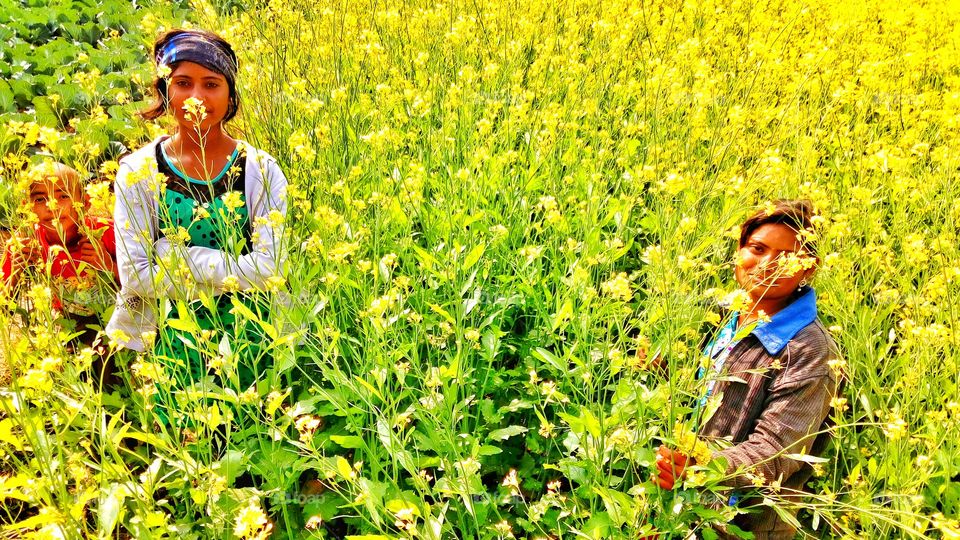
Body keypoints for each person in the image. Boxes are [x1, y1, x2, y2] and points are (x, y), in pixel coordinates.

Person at [106, 29, 288, 427]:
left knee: (254, 442)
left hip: (251, 340)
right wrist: (231, 269)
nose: (197, 98)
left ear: (231, 95)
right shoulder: (138, 171)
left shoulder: (260, 170)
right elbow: (135, 276)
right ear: (164, 90)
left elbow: (270, 269)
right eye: (183, 83)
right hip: (169, 341)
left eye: (212, 84)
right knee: (189, 451)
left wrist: (180, 258)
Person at [654, 200, 841, 539]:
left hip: (740, 527)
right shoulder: (719, 315)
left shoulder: (811, 350)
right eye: (757, 248)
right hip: (674, 509)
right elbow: (693, 396)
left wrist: (701, 465)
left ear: (808, 269)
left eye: (787, 257)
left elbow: (776, 452)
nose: (767, 264)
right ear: (739, 250)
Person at [1, 162, 118, 343]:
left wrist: (107, 265)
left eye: (63, 196)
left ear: (85, 203)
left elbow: (143, 285)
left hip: (117, 320)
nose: (52, 206)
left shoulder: (107, 233)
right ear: (27, 207)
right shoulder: (24, 243)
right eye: (40, 199)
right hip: (67, 324)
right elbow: (4, 309)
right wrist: (16, 272)